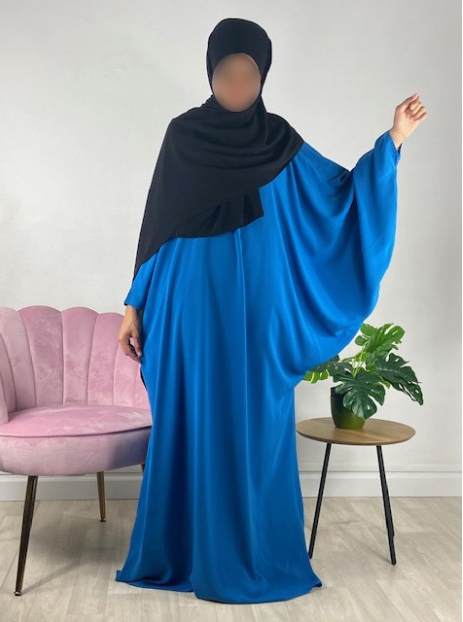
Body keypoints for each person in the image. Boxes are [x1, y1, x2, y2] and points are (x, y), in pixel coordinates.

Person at [115, 17, 427, 604]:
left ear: (263, 76)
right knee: (191, 413)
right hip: (187, 307)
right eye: (226, 72)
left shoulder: (279, 141)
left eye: (249, 73)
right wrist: (134, 305)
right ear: (210, 73)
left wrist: (392, 142)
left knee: (254, 416)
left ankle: (253, 553)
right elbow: (156, 227)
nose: (237, 84)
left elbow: (339, 195)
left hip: (257, 309)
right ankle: (184, 552)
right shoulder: (183, 135)